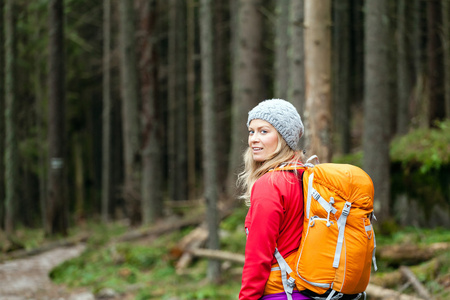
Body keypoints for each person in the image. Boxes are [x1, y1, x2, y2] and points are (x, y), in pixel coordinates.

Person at [238, 99, 311, 300]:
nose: (253, 139)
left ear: (283, 137)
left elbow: (258, 256)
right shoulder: (303, 176)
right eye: (251, 131)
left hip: (280, 292)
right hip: (308, 290)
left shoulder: (270, 185)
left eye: (264, 131)